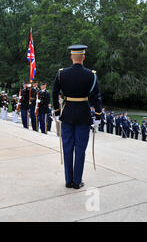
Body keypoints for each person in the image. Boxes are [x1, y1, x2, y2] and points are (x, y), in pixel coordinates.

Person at [52, 44, 102, 190]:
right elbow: (95, 97)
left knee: (67, 148)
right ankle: (77, 181)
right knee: (80, 149)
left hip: (67, 115)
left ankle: (68, 180)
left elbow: (54, 93)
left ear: (71, 57)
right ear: (84, 57)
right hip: (83, 115)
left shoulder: (62, 74)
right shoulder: (91, 75)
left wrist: (56, 111)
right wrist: (98, 116)